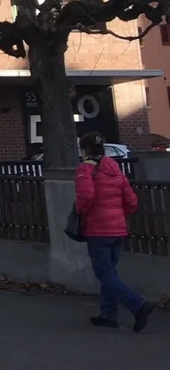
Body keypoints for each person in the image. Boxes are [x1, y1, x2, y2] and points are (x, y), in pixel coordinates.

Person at [77, 131, 152, 332]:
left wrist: (80, 213)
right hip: (118, 230)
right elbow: (132, 201)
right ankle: (108, 315)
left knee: (104, 273)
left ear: (85, 149)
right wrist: (119, 216)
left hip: (98, 230)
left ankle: (138, 305)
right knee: (109, 272)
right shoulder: (115, 169)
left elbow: (85, 196)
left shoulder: (85, 169)